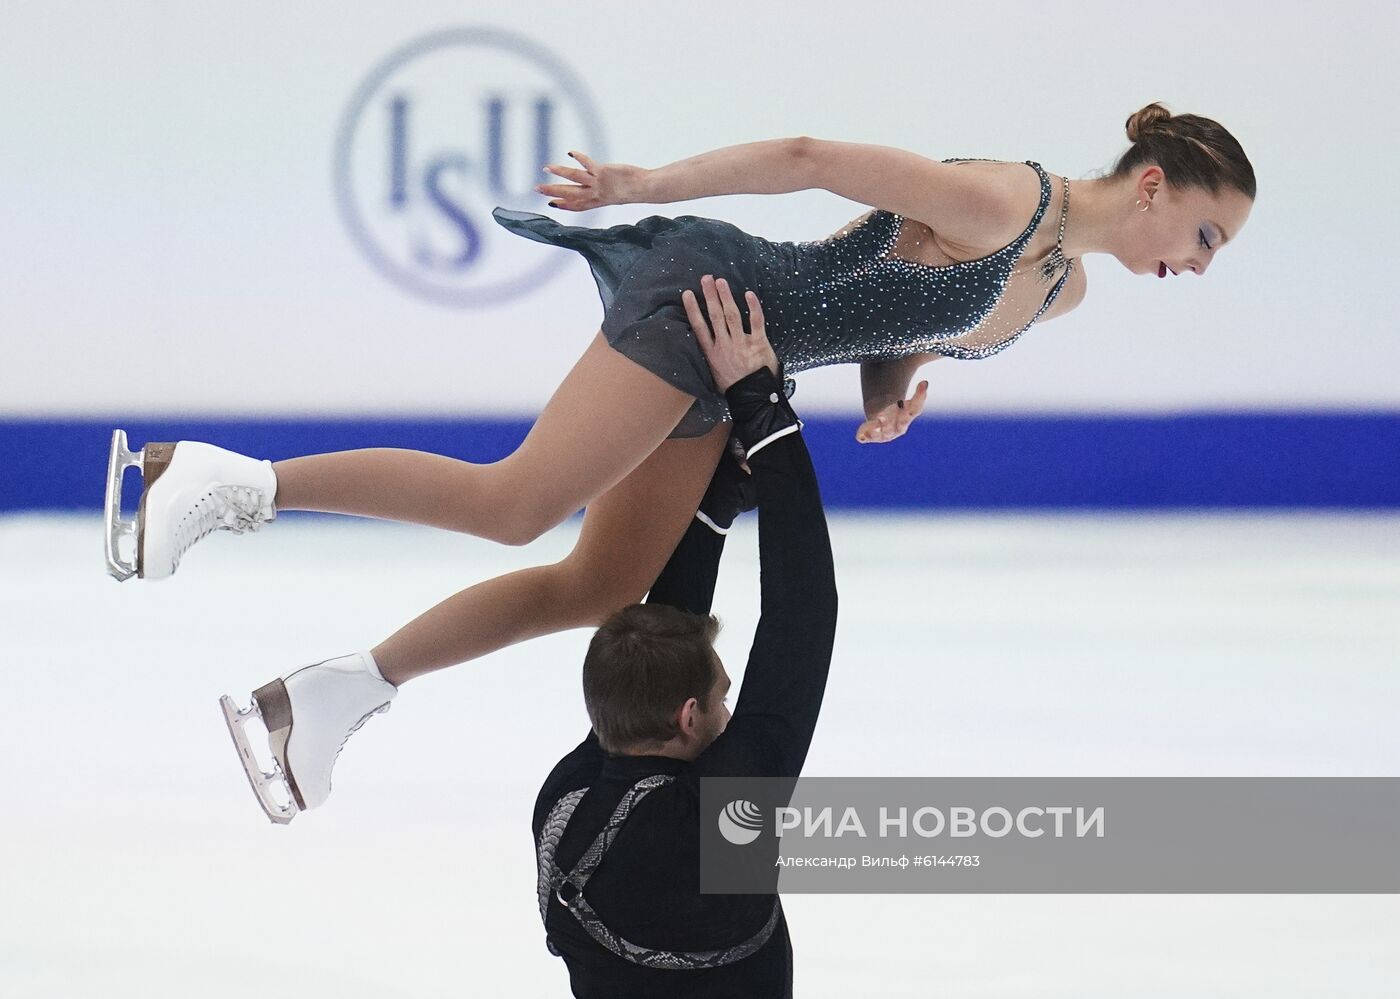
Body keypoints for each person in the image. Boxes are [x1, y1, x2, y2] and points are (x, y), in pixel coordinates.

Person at [102, 102, 1255, 820]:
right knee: (517, 504)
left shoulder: (1062, 288)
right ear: (1151, 185)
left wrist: (888, 387)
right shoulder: (1009, 198)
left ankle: (324, 697)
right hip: (715, 295)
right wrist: (641, 186)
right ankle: (209, 480)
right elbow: (815, 160)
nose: (1200, 264)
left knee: (599, 589)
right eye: (1203, 234)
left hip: (740, 359)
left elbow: (902, 304)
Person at [534, 269, 836, 997]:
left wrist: (718, 505)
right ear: (687, 715)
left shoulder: (566, 801)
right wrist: (764, 413)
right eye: (721, 697)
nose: (731, 709)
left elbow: (661, 642)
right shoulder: (717, 827)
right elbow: (803, 615)